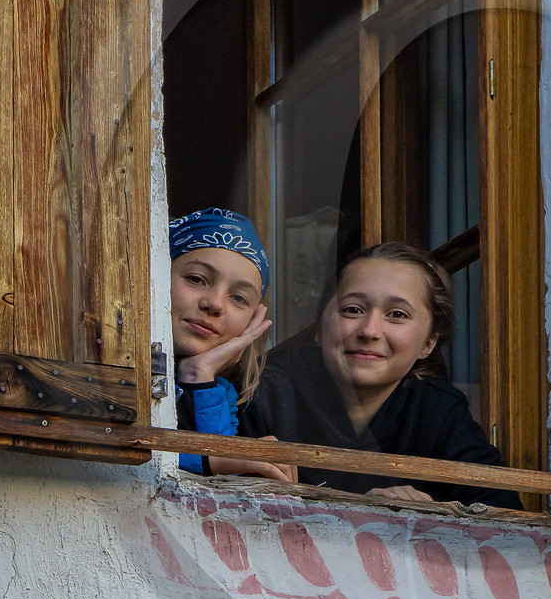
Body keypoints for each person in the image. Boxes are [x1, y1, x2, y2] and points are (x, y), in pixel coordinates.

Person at [245, 242, 519, 508]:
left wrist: (434, 512)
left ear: (429, 343)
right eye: (352, 310)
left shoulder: (437, 411)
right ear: (319, 329)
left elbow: (505, 514)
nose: (369, 331)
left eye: (397, 314)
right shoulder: (266, 395)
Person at [169, 210, 297, 482]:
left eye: (239, 298)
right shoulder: (113, 368)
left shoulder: (225, 395)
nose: (214, 304)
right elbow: (120, 451)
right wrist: (211, 459)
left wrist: (198, 375)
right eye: (196, 279)